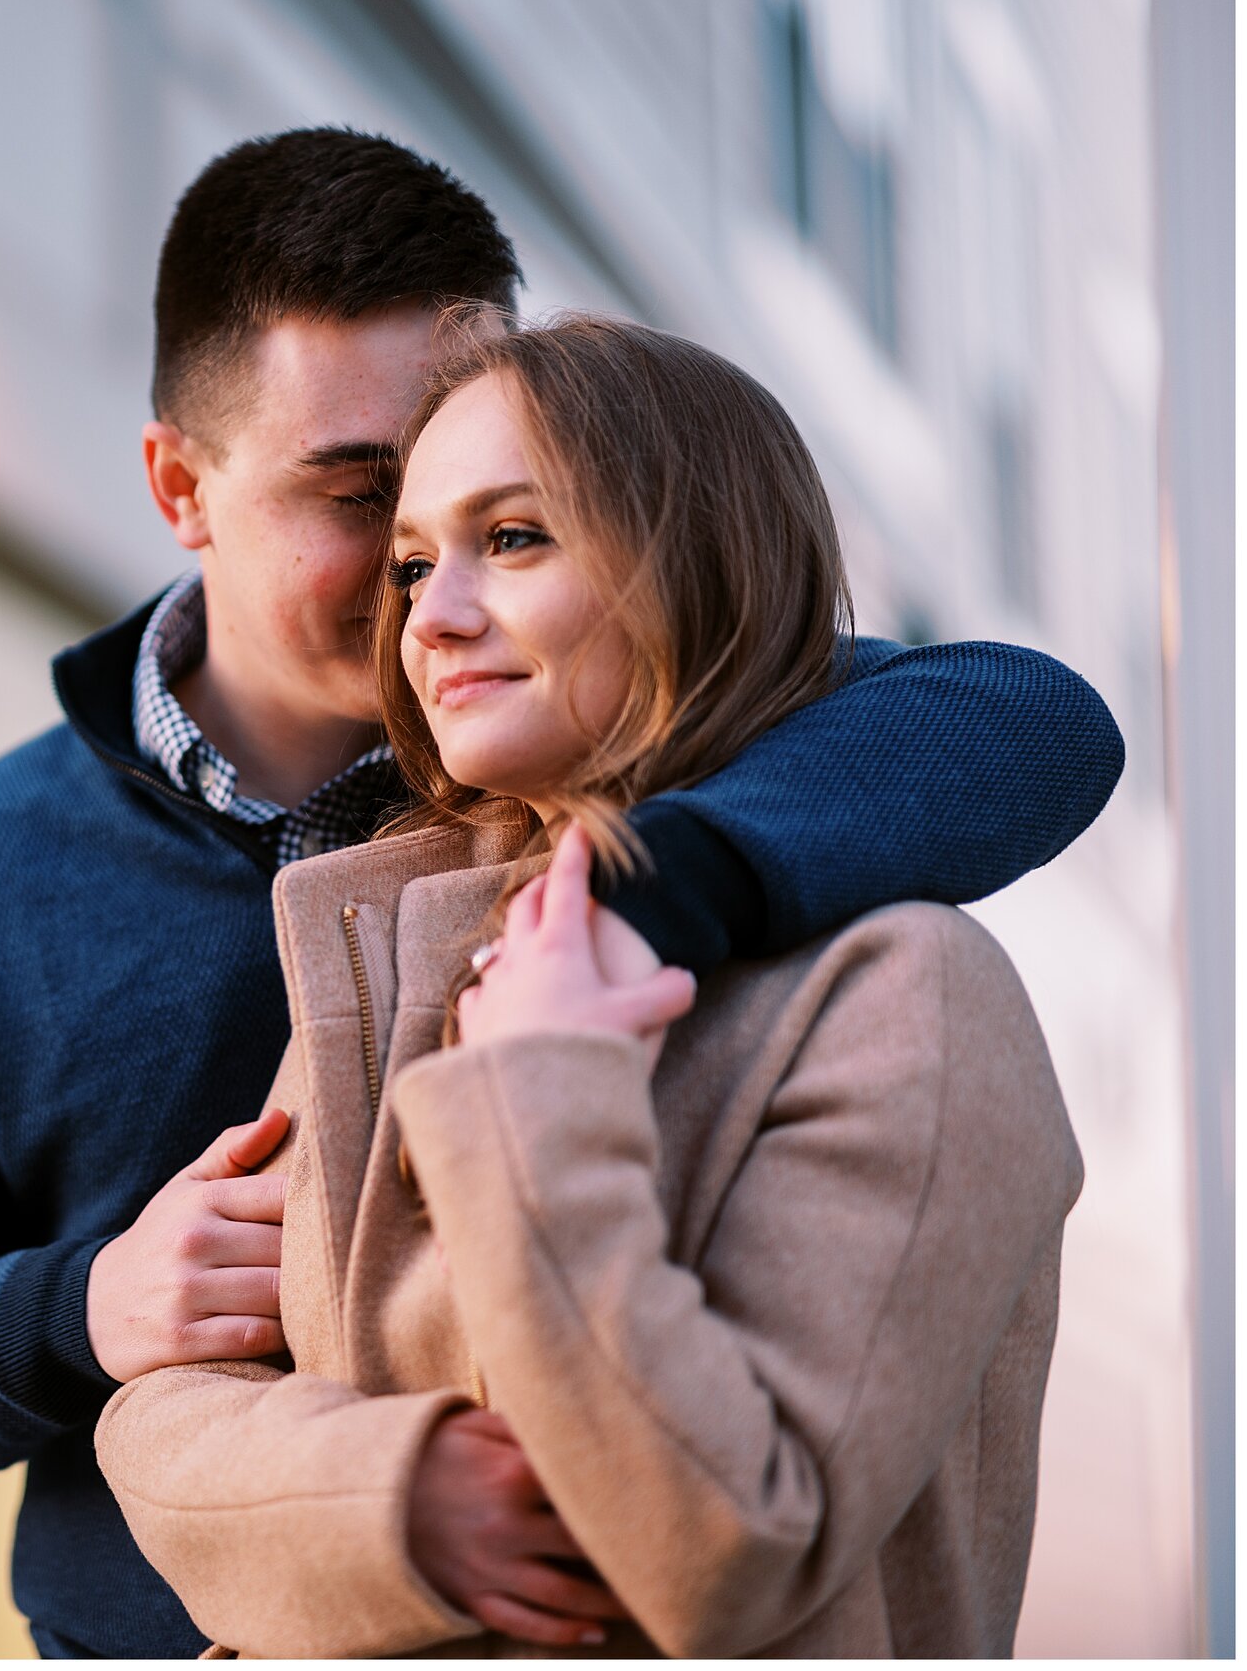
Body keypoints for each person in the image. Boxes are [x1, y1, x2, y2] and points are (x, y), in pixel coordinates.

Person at [0, 129, 1123, 1660]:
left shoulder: (567, 764)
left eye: (510, 514)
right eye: (372, 506)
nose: (428, 592)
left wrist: (631, 890)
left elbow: (1025, 714)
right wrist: (85, 1307)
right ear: (179, 485)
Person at [94, 311, 1083, 1657]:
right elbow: (163, 1415)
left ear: (697, 562)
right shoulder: (391, 935)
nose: (432, 616)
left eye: (514, 538)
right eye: (412, 559)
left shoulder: (910, 999)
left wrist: (534, 1092)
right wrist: (397, 1498)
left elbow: (729, 1543)